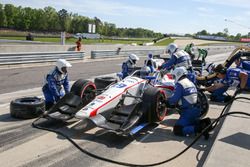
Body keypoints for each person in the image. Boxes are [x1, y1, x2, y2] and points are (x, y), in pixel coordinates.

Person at [165, 67, 211, 139]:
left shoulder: (180, 84)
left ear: (178, 74)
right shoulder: (190, 82)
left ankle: (199, 129)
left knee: (177, 129)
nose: (174, 78)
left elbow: (174, 100)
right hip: (197, 110)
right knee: (190, 122)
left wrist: (166, 101)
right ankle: (204, 123)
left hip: (188, 112)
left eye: (174, 76)